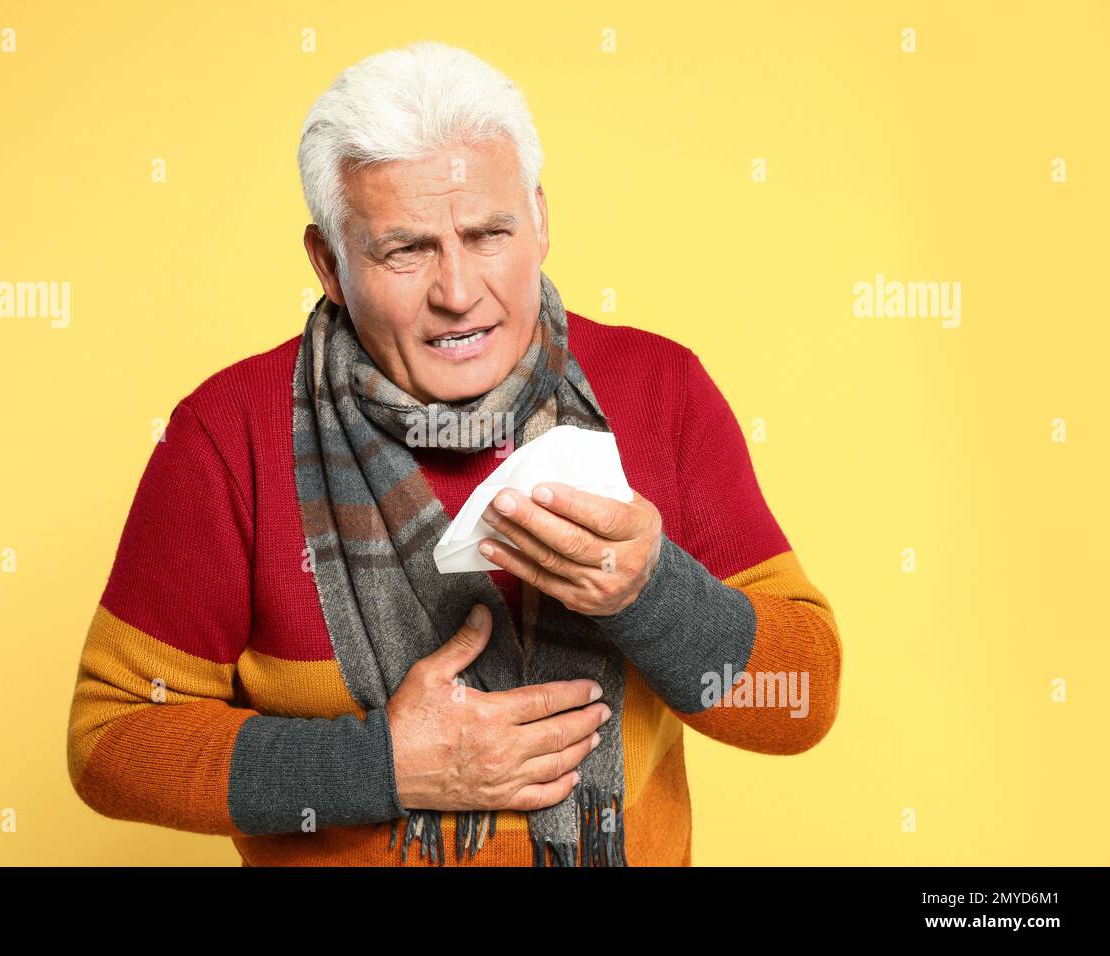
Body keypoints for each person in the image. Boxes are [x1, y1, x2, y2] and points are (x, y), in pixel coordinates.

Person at [66, 40, 842, 866]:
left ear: (540, 221)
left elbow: (802, 703)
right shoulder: (230, 436)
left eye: (487, 233)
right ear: (329, 263)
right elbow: (111, 742)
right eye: (406, 250)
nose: (459, 293)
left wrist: (654, 593)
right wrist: (384, 766)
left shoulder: (660, 390)